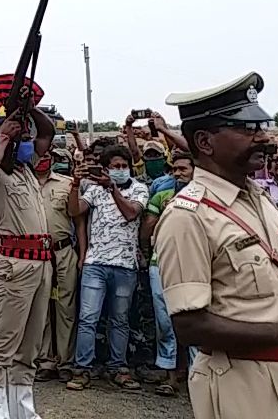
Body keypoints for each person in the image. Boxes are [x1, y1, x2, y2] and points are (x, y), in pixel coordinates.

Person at [156, 72, 278, 419]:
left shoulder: (261, 200)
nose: (264, 138)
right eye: (247, 130)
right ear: (206, 142)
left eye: (260, 127)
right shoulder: (187, 216)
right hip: (244, 383)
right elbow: (189, 326)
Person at [0, 78, 56, 419]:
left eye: (26, 137)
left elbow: (47, 132)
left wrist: (28, 108)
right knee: (0, 346)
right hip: (15, 263)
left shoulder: (25, 172)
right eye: (21, 138)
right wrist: (4, 134)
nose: (28, 142)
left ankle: (22, 410)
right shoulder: (1, 176)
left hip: (41, 264)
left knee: (29, 347)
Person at [65, 145, 148, 391]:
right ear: (106, 168)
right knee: (88, 318)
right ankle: (82, 369)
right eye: (115, 167)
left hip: (125, 265)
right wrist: (75, 183)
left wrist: (112, 189)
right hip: (95, 264)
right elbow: (74, 210)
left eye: (124, 166)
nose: (120, 170)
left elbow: (131, 213)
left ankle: (117, 368)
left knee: (120, 320)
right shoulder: (94, 190)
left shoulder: (139, 189)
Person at [140, 150, 195, 397]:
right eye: (175, 169)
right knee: (164, 320)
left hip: (196, 265)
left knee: (195, 319)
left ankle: (197, 376)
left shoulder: (207, 197)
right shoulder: (162, 194)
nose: (178, 173)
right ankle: (170, 375)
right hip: (160, 262)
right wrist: (144, 248)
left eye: (184, 169)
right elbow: (148, 226)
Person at [36, 147, 79, 382]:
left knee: (66, 308)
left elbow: (78, 219)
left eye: (46, 156)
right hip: (36, 253)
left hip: (63, 250)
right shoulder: (23, 183)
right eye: (38, 156)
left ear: (52, 158)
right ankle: (45, 360)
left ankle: (65, 361)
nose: (42, 160)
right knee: (41, 308)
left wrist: (81, 253)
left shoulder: (66, 183)